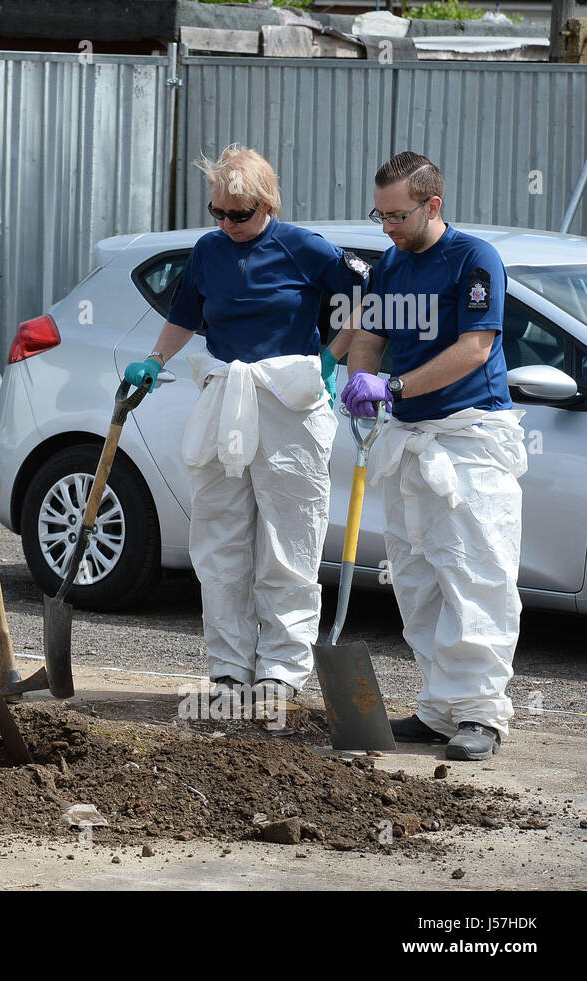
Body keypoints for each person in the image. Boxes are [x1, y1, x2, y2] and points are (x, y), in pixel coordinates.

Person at [122, 144, 371, 710]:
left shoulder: (305, 248)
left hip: (289, 398)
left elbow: (369, 293)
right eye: (218, 213)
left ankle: (282, 666)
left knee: (289, 538)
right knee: (220, 538)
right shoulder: (208, 252)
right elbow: (184, 317)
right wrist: (154, 362)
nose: (227, 224)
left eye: (239, 214)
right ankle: (230, 666)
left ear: (266, 205)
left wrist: (334, 356)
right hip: (226, 396)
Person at [341, 151, 525, 762]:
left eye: (397, 215)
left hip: (469, 439)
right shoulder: (390, 265)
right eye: (380, 214)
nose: (387, 227)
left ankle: (481, 715)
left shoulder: (475, 260)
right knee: (417, 579)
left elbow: (474, 348)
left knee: (475, 575)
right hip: (410, 440)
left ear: (432, 205)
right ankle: (440, 707)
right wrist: (358, 380)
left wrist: (392, 387)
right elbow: (370, 334)